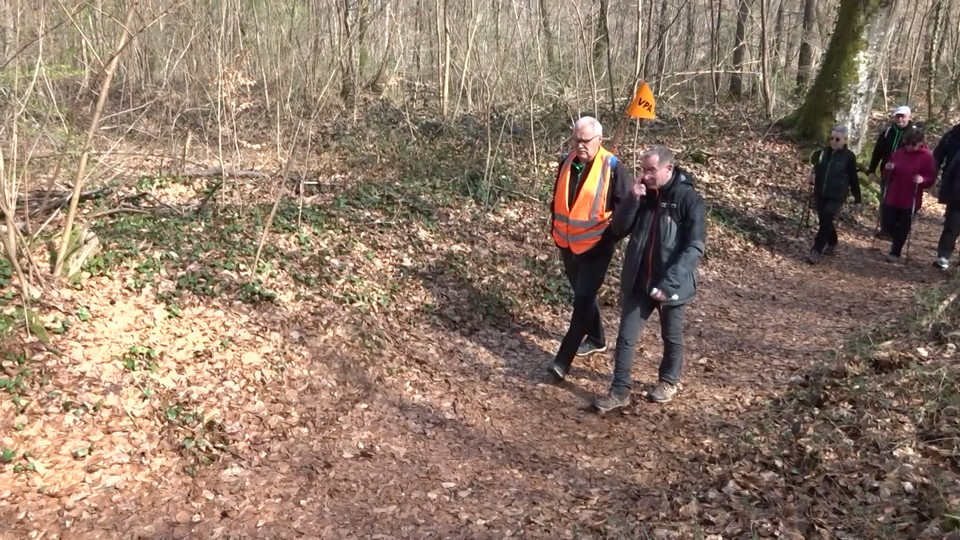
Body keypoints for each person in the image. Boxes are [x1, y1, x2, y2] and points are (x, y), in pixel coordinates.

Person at [592, 145, 706, 411]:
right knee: (625, 337)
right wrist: (631, 199)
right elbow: (618, 229)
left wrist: (669, 283)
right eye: (643, 170)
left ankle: (668, 381)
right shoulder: (642, 193)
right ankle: (619, 391)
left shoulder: (688, 199)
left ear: (668, 168)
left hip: (672, 283)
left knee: (671, 336)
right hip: (639, 279)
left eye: (651, 170)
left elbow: (694, 247)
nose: (645, 176)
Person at [547, 116, 633, 381]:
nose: (580, 145)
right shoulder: (567, 162)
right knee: (583, 294)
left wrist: (612, 235)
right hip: (567, 244)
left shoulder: (613, 167)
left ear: (599, 140)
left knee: (582, 300)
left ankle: (562, 361)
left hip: (597, 247)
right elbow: (559, 199)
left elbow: (628, 208)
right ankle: (596, 338)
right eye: (576, 140)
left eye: (585, 141)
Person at [806, 126, 862, 264]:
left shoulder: (849, 157)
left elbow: (853, 178)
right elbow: (816, 169)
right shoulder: (823, 153)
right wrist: (813, 176)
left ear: (845, 140)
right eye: (831, 138)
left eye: (837, 139)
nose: (833, 141)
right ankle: (832, 240)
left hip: (837, 194)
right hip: (821, 192)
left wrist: (857, 199)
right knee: (824, 220)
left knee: (828, 216)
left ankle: (816, 250)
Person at [881, 126, 937, 263]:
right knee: (888, 223)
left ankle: (895, 251)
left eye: (914, 144)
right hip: (894, 195)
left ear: (920, 143)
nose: (910, 147)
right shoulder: (898, 154)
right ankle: (895, 239)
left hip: (910, 198)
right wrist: (888, 169)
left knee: (904, 226)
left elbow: (931, 178)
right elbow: (886, 175)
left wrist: (922, 180)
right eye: (908, 143)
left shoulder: (927, 157)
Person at [869, 105, 915, 239]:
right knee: (885, 200)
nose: (900, 119)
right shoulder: (888, 132)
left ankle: (897, 230)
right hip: (887, 172)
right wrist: (872, 169)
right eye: (898, 116)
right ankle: (885, 229)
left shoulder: (914, 133)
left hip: (905, 175)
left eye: (903, 116)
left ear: (908, 117)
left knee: (900, 202)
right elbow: (878, 151)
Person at [934, 151, 960, 269]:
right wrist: (944, 195)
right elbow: (950, 174)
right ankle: (943, 257)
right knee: (951, 227)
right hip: (956, 198)